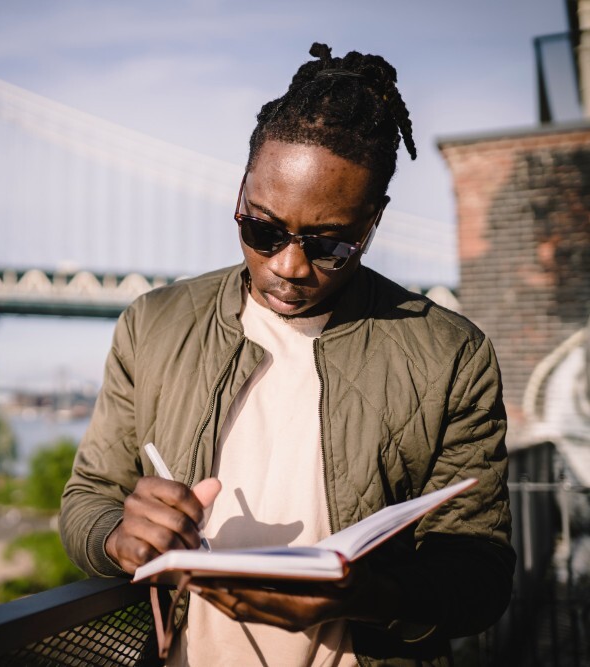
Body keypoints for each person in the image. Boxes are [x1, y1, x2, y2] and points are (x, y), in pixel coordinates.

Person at [59, 43, 514, 666]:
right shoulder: (154, 324)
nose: (290, 266)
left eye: (329, 245)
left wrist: (364, 597)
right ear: (241, 196)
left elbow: (481, 576)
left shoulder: (451, 355)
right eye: (264, 231)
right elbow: (86, 500)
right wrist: (119, 536)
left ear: (372, 223)